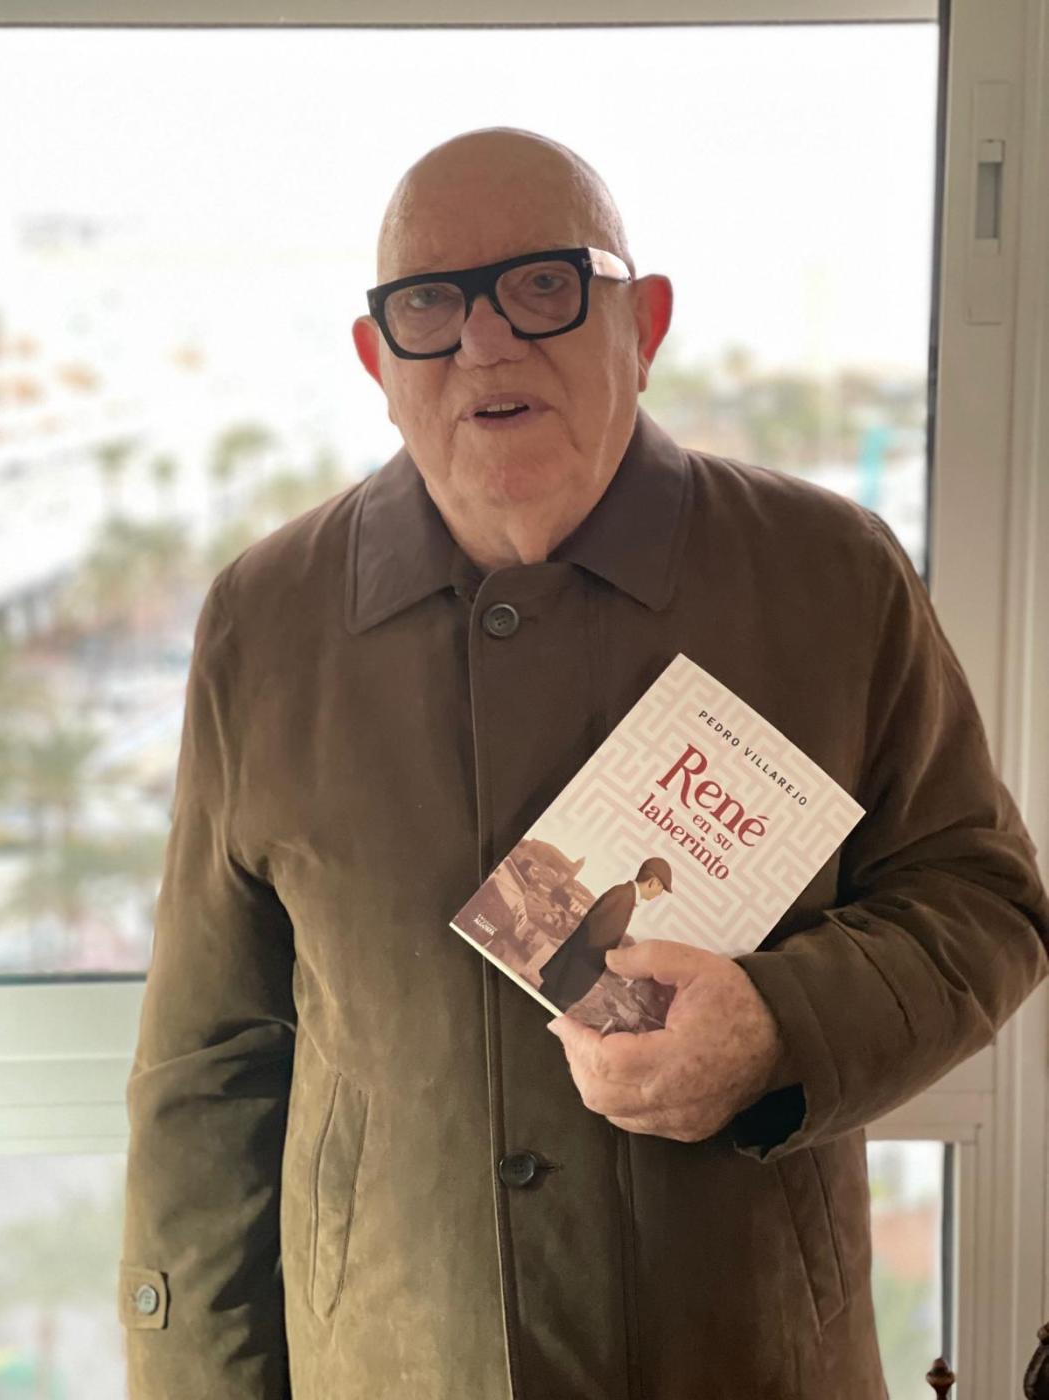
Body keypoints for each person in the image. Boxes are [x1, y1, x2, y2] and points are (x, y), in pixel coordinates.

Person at [118, 126, 1049, 1400]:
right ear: (377, 360)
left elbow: (986, 903)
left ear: (645, 322)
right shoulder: (265, 618)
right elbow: (209, 1065)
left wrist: (782, 1026)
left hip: (755, 1363)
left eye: (544, 284)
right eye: (430, 306)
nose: (485, 342)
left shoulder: (833, 575)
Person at [538, 858, 671, 1011]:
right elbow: (596, 940)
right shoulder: (623, 897)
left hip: (568, 976)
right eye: (661, 888)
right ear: (653, 882)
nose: (659, 893)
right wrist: (616, 966)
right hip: (569, 979)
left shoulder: (624, 895)